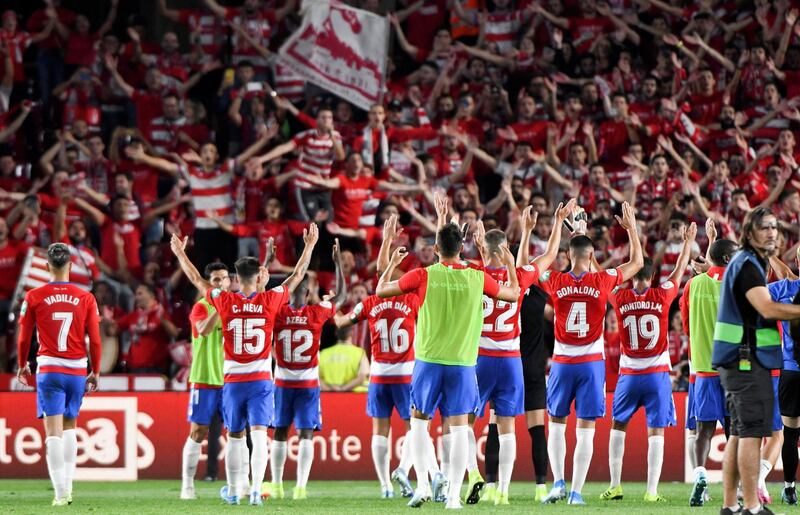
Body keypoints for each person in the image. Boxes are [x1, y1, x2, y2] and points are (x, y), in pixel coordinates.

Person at [375, 193, 521, 509]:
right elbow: (513, 294)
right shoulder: (475, 276)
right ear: (463, 248)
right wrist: (510, 265)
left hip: (428, 362)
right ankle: (453, 497)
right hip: (463, 365)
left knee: (418, 424)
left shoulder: (424, 274)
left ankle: (425, 484)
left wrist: (391, 265)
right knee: (457, 431)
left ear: (436, 249)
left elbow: (380, 290)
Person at [169, 224, 318, 505]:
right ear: (258, 277)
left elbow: (196, 280)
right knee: (260, 434)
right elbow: (298, 275)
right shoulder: (270, 299)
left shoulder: (225, 301)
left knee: (235, 436)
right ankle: (255, 491)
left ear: (236, 279)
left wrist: (180, 253)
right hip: (261, 379)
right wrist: (309, 246)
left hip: (233, 381)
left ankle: (236, 491)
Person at [540, 202, 643, 505]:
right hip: (591, 364)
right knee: (585, 429)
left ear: (569, 255)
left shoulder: (555, 280)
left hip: (561, 362)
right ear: (591, 255)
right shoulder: (602, 279)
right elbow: (636, 263)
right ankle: (575, 493)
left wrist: (558, 223)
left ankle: (558, 482)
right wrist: (632, 229)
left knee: (557, 424)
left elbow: (530, 265)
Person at [472, 201, 573, 505]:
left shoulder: (476, 275)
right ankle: (520, 488)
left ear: (484, 249)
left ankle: (480, 483)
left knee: (478, 423)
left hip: (484, 356)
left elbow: (452, 260)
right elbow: (551, 255)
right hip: (518, 361)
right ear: (507, 250)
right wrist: (557, 223)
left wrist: (477, 250)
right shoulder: (525, 278)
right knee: (521, 427)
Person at [711, 207, 800, 515]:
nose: (772, 232)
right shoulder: (748, 265)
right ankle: (750, 507)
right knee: (750, 432)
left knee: (738, 432)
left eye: (775, 227)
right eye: (765, 228)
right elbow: (768, 309)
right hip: (746, 361)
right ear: (749, 234)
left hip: (739, 360)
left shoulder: (747, 263)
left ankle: (729, 506)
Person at [602, 222, 697, 503]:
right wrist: (688, 242)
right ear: (654, 275)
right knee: (656, 431)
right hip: (657, 375)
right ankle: (651, 492)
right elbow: (679, 271)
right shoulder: (663, 294)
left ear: (630, 278)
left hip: (629, 375)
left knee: (618, 426)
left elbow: (600, 276)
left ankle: (615, 485)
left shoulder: (619, 297)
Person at [335, 214, 421, 499]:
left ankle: (385, 486)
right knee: (414, 427)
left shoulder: (369, 304)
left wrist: (326, 307)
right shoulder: (412, 300)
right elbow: (388, 271)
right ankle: (407, 471)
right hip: (407, 373)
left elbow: (341, 323)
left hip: (379, 375)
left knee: (379, 431)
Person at [16, 242, 102, 506]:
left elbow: (23, 338)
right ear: (71, 265)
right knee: (70, 428)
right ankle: (69, 487)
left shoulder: (34, 296)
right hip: (76, 370)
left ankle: (61, 494)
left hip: (50, 369)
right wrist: (95, 371)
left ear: (46, 266)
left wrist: (22, 364)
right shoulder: (86, 297)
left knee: (52, 432)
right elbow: (95, 340)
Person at [268, 240, 346, 501]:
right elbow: (343, 297)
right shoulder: (316, 312)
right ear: (308, 294)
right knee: (305, 433)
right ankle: (300, 487)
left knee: (279, 432)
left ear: (290, 295)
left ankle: (277, 484)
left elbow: (261, 296)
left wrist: (269, 260)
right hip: (307, 384)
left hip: (282, 382)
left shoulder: (277, 314)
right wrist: (338, 266)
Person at [680, 236, 740, 507]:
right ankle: (737, 489)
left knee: (703, 430)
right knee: (734, 431)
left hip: (703, 369)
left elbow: (685, 325)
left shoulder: (692, 285)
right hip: (733, 369)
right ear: (728, 258)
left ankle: (700, 477)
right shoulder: (737, 284)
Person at [180, 263, 231, 500]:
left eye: (223, 279)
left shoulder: (237, 306)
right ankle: (187, 487)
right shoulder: (200, 307)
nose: (220, 283)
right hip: (204, 378)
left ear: (230, 281)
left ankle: (236, 485)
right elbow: (204, 329)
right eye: (215, 280)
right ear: (209, 284)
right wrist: (219, 309)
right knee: (198, 432)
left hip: (231, 380)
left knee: (237, 432)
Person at [767, 249, 800, 505]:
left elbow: (753, 292)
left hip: (790, 371)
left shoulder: (785, 289)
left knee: (790, 435)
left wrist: (768, 255)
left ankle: (789, 488)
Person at [318, 325, 369, 391]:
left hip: (328, 396)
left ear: (336, 334)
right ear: (351, 333)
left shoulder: (323, 353)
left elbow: (316, 378)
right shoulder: (360, 353)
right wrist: (342, 389)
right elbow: (362, 377)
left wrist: (331, 390)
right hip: (355, 396)